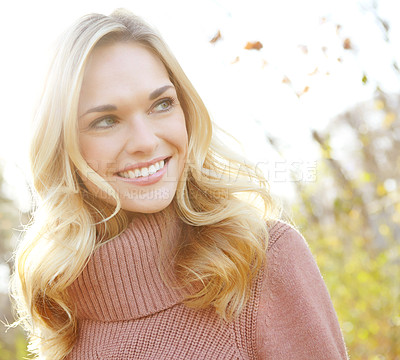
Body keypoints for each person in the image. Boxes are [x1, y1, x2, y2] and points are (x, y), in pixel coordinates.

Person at [11, 8, 348, 360]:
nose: (145, 140)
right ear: (63, 145)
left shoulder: (262, 261)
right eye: (107, 120)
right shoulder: (61, 309)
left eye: (161, 104)